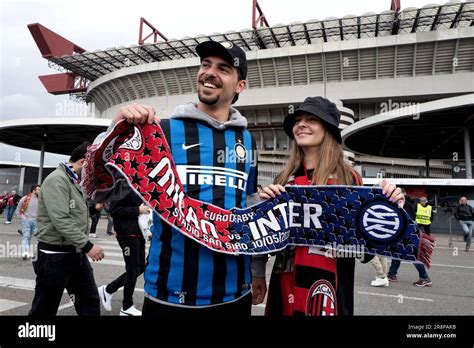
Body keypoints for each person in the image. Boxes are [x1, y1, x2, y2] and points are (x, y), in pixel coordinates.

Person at [99, 40, 257, 318]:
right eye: (205, 64)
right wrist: (114, 131)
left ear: (239, 85)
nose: (210, 72)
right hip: (169, 297)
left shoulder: (247, 140)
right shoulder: (162, 132)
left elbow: (251, 208)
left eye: (222, 68)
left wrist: (258, 271)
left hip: (235, 294)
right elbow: (100, 189)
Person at [252, 96, 404, 316]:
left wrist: (390, 206)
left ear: (329, 130)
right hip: (284, 284)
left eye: (311, 119)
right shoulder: (284, 178)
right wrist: (264, 210)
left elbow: (367, 250)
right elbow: (268, 241)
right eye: (298, 120)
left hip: (332, 289)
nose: (301, 124)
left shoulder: (349, 178)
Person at [29, 142, 105, 317]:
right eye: (92, 166)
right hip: (54, 257)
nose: (93, 171)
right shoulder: (57, 180)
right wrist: (88, 246)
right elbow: (61, 219)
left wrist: (94, 209)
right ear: (82, 161)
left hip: (75, 254)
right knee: (45, 307)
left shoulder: (74, 181)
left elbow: (74, 212)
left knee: (89, 301)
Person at [98, 191, 148, 316]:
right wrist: (138, 210)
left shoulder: (139, 187)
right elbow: (114, 211)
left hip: (138, 232)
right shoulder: (122, 186)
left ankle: (108, 289)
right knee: (132, 269)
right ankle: (126, 306)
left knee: (141, 267)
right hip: (127, 233)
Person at [387, 189, 433, 287]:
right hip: (405, 234)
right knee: (397, 253)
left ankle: (425, 278)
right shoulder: (403, 204)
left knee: (412, 255)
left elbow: (406, 220)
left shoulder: (405, 205)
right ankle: (392, 274)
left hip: (407, 235)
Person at [16, 185, 41, 260]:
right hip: (26, 220)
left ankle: (27, 251)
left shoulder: (40, 199)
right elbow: (18, 209)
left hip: (35, 221)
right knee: (26, 236)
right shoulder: (25, 198)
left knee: (30, 237)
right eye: (38, 190)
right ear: (34, 191)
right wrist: (23, 218)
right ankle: (25, 252)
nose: (40, 191)